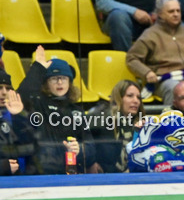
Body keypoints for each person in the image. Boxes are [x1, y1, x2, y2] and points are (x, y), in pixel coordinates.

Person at [19, 46, 96, 174]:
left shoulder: (76, 111)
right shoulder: (38, 104)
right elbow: (21, 98)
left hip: (70, 174)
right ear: (46, 83)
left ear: (70, 83)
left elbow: (92, 150)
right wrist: (37, 68)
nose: (60, 82)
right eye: (54, 79)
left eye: (64, 78)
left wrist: (80, 150)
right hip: (41, 172)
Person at [87, 79, 142, 173]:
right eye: (130, 96)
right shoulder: (101, 117)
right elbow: (83, 140)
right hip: (104, 177)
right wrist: (90, 163)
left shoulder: (142, 123)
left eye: (138, 97)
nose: (136, 101)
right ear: (118, 98)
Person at [0, 69, 34, 176]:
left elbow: (30, 148)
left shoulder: (15, 115)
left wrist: (19, 117)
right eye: (0, 88)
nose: (4, 92)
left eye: (8, 88)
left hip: (19, 181)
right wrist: (3, 166)